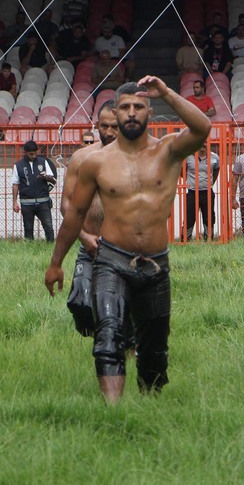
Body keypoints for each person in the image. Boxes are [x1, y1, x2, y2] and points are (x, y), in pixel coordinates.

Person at [44, 76, 211, 403]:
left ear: (149, 111)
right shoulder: (96, 162)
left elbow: (203, 127)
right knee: (108, 335)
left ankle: (150, 405)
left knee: (154, 351)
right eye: (125, 108)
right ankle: (114, 412)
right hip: (111, 260)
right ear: (115, 115)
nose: (131, 113)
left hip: (155, 264)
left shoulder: (169, 150)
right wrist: (55, 264)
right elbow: (74, 214)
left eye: (138, 106)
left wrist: (165, 92)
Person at [61, 100, 119, 338]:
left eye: (114, 127)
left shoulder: (134, 159)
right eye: (104, 126)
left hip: (123, 246)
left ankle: (120, 346)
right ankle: (101, 336)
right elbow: (67, 203)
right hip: (89, 244)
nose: (109, 132)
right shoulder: (81, 158)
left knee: (121, 307)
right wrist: (82, 236)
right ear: (96, 125)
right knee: (79, 301)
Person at [12, 140, 56, 241]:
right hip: (26, 203)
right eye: (31, 154)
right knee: (28, 230)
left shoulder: (43, 161)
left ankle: (51, 248)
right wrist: (14, 202)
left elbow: (52, 178)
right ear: (25, 152)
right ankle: (29, 250)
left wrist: (46, 176)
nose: (34, 156)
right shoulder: (18, 165)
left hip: (43, 201)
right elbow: (15, 184)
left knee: (49, 227)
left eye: (36, 153)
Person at [184, 145, 220, 241]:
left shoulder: (214, 157)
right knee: (189, 217)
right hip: (192, 192)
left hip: (207, 192)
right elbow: (182, 171)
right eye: (201, 141)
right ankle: (185, 240)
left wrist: (210, 183)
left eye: (205, 142)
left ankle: (208, 240)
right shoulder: (188, 157)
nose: (203, 144)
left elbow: (216, 170)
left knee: (209, 217)